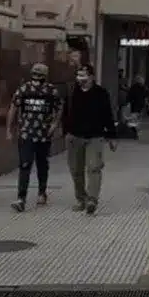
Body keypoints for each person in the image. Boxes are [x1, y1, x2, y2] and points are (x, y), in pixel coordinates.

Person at [61, 64, 117, 215]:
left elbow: (108, 114)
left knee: (94, 167)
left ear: (91, 77)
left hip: (95, 137)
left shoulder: (101, 93)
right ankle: (81, 199)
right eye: (78, 75)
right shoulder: (72, 92)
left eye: (84, 75)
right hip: (74, 136)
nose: (81, 79)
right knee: (76, 170)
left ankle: (92, 200)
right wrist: (65, 132)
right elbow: (64, 113)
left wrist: (112, 136)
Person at [7, 63, 62, 212]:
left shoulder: (51, 91)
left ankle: (42, 192)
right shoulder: (24, 89)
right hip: (26, 133)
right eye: (35, 74)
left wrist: (54, 124)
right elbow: (13, 108)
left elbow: (59, 108)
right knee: (25, 165)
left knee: (42, 164)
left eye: (40, 75)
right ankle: (21, 198)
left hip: (44, 134)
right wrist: (9, 129)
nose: (37, 78)